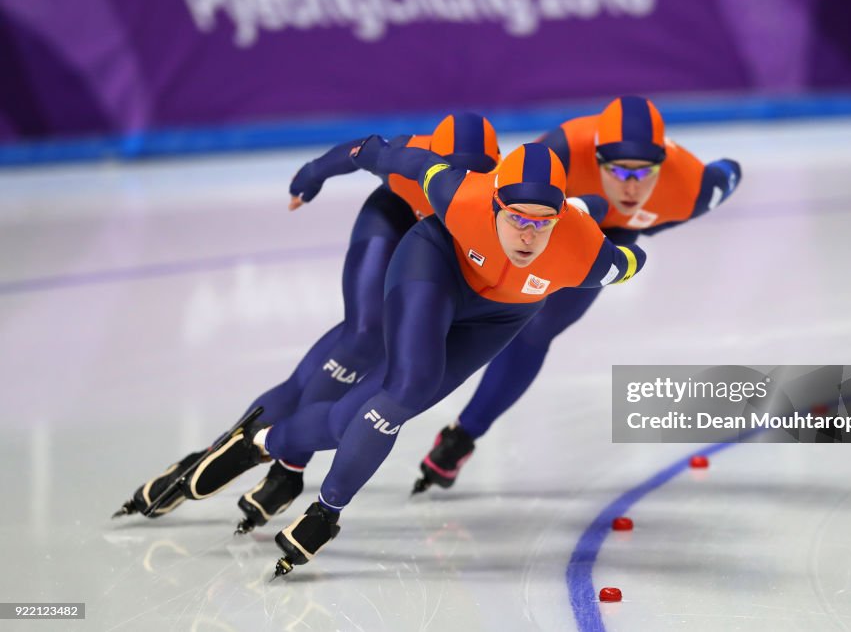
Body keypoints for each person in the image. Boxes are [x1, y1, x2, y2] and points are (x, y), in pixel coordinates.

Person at [179, 140, 648, 573]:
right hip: (434, 267)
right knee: (409, 387)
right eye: (516, 219)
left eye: (541, 223)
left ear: (560, 217)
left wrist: (614, 229)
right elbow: (376, 152)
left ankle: (262, 448)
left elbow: (632, 261)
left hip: (499, 317)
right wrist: (314, 171)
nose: (527, 236)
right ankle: (318, 500)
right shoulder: (459, 193)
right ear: (493, 205)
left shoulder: (586, 255)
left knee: (353, 419)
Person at [114, 113, 502, 526]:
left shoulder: (504, 193)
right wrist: (312, 174)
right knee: (364, 335)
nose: (453, 192)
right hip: (396, 217)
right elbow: (360, 151)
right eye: (448, 177)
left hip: (442, 254)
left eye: (473, 179)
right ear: (433, 164)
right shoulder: (409, 158)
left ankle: (279, 465)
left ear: (496, 171)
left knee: (389, 362)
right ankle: (269, 464)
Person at [412, 96, 742, 493]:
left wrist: (643, 229)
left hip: (615, 233)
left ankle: (463, 435)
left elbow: (730, 171)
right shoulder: (562, 151)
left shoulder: (694, 188)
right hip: (555, 221)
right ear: (596, 156)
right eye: (618, 170)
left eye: (644, 172)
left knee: (540, 326)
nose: (631, 185)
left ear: (663, 166)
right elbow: (493, 197)